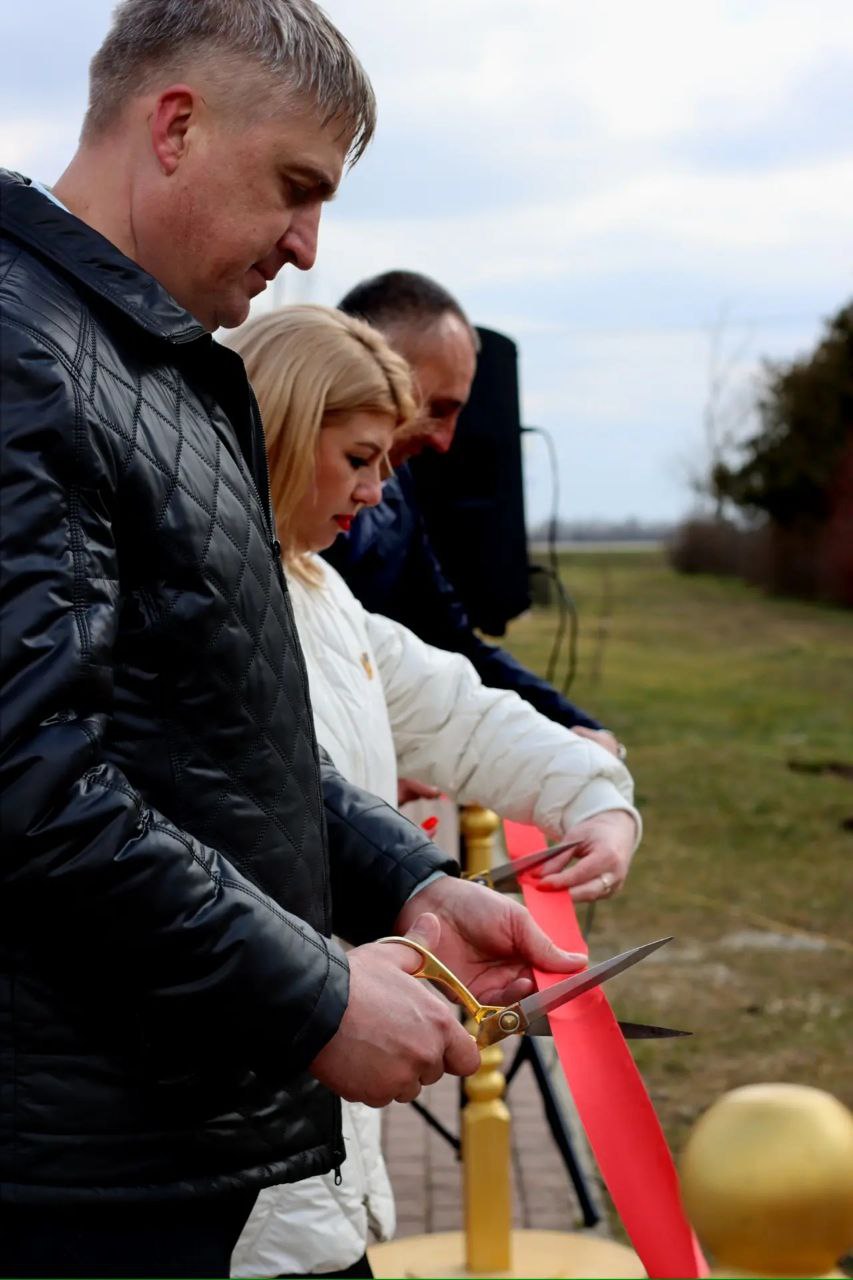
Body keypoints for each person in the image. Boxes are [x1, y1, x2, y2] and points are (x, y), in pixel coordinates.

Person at [0, 5, 585, 1277]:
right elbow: (30, 782)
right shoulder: (23, 352)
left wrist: (410, 882)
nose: (310, 245)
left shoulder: (152, 362)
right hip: (72, 1178)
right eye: (294, 187)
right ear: (174, 125)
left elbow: (218, 742)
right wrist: (315, 993)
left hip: (163, 1146)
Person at [227, 305, 641, 1278]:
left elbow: (459, 707)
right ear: (282, 431)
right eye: (360, 458)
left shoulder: (325, 594)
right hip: (247, 1130)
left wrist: (597, 795)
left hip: (328, 1111)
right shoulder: (204, 602)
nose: (376, 492)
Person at [326, 270, 623, 759]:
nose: (445, 440)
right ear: (371, 368)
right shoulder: (248, 491)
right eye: (437, 408)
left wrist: (575, 731)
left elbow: (447, 635)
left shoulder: (398, 489)